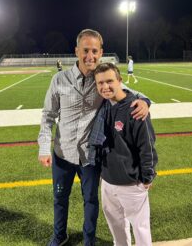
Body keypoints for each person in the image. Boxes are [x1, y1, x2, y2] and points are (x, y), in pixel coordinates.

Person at [38, 29, 150, 246]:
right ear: (76, 51)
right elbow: (48, 116)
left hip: (90, 157)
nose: (90, 56)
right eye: (85, 50)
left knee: (90, 200)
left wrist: (145, 100)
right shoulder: (59, 79)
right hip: (63, 154)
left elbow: (129, 92)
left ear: (101, 52)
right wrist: (43, 147)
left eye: (94, 51)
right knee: (60, 198)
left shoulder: (102, 80)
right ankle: (59, 235)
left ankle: (89, 240)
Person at [93, 63, 158, 246]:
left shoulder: (135, 108)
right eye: (100, 83)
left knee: (141, 228)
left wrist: (147, 177)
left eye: (109, 81)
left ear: (120, 81)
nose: (105, 87)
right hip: (107, 180)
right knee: (116, 228)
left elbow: (147, 147)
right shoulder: (104, 106)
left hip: (131, 183)